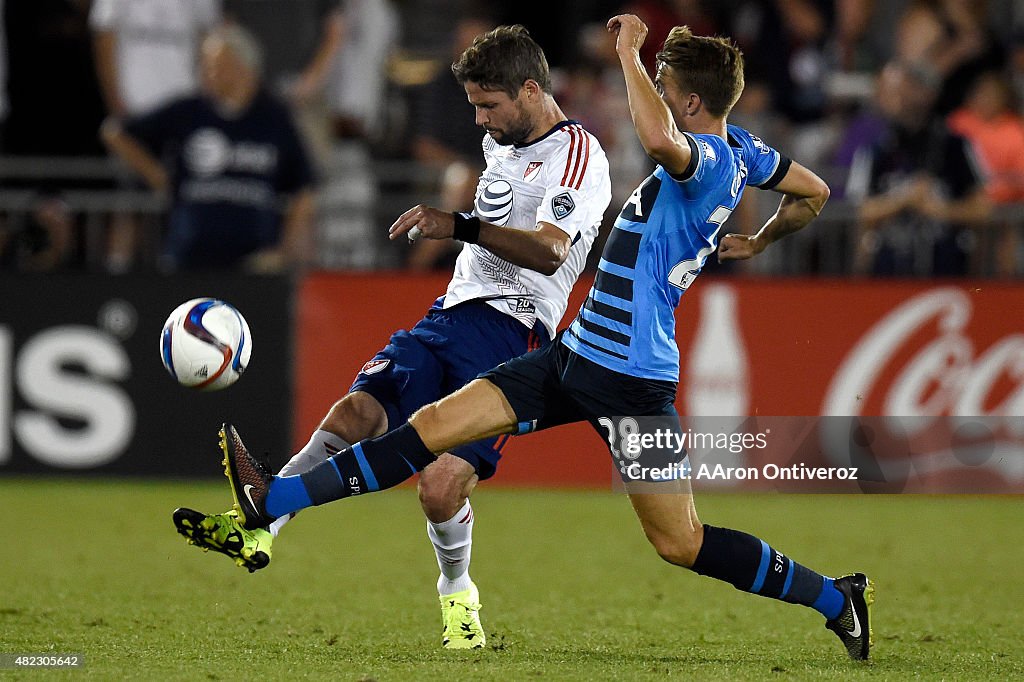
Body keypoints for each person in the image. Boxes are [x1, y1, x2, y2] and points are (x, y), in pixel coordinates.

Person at [205, 15, 876, 662]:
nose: (659, 102)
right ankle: (275, 501)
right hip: (576, 350)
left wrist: (629, 55)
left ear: (691, 102)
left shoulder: (699, 159)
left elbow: (659, 139)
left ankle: (832, 597)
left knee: (681, 543)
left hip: (633, 377)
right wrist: (758, 241)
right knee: (435, 427)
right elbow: (813, 192)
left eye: (668, 91)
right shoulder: (746, 152)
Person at [173, 25, 613, 649]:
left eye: (490, 106)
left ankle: (457, 593)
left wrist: (457, 223)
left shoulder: (577, 153)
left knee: (437, 488)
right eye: (474, 108)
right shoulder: (503, 146)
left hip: (513, 332)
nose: (482, 122)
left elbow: (548, 253)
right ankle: (261, 528)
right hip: (450, 314)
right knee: (355, 411)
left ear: (532, 90)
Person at [100, 24, 316, 271]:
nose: (206, 73)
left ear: (241, 67)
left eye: (215, 65)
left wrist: (284, 251)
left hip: (253, 266)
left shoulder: (275, 119)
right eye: (204, 65)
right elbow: (116, 133)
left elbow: (304, 188)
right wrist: (160, 178)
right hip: (188, 259)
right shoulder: (188, 111)